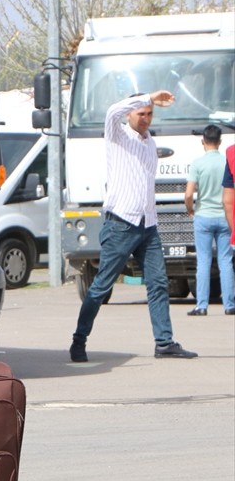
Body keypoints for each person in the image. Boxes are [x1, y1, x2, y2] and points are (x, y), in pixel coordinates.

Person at [70, 92, 197, 361]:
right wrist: (148, 96)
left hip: (147, 225)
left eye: (149, 114)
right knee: (102, 285)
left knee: (159, 283)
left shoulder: (150, 143)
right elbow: (112, 112)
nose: (145, 119)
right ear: (129, 114)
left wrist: (152, 219)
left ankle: (164, 342)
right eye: (141, 114)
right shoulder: (118, 135)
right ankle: (79, 341)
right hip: (121, 224)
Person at [184, 126, 233, 316]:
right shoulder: (226, 162)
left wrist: (190, 209)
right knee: (225, 261)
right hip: (224, 216)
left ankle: (202, 305)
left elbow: (189, 194)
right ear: (220, 142)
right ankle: (229, 305)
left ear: (203, 141)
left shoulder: (198, 164)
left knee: (203, 261)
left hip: (203, 216)